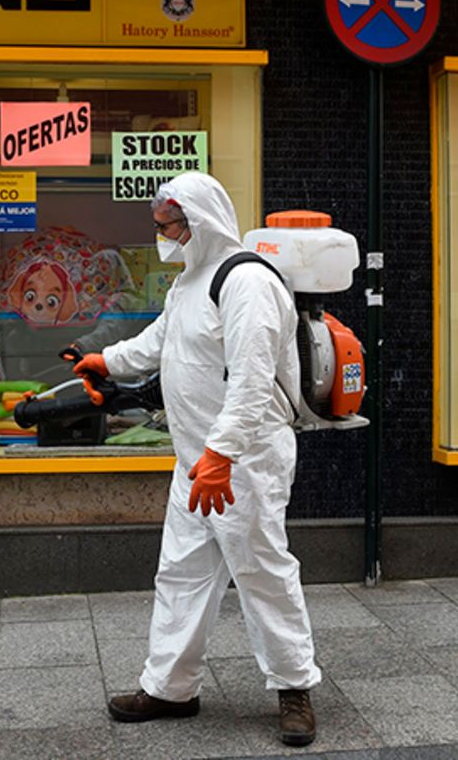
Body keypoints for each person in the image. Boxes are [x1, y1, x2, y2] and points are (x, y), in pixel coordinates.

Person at [71, 172, 320, 747]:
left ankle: (294, 688)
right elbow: (162, 341)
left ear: (200, 221)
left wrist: (222, 454)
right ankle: (170, 687)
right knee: (180, 572)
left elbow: (255, 381)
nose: (161, 235)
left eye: (168, 226)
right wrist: (105, 362)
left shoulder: (247, 283)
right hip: (198, 462)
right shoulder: (191, 282)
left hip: (241, 463)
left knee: (260, 570)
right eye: (158, 226)